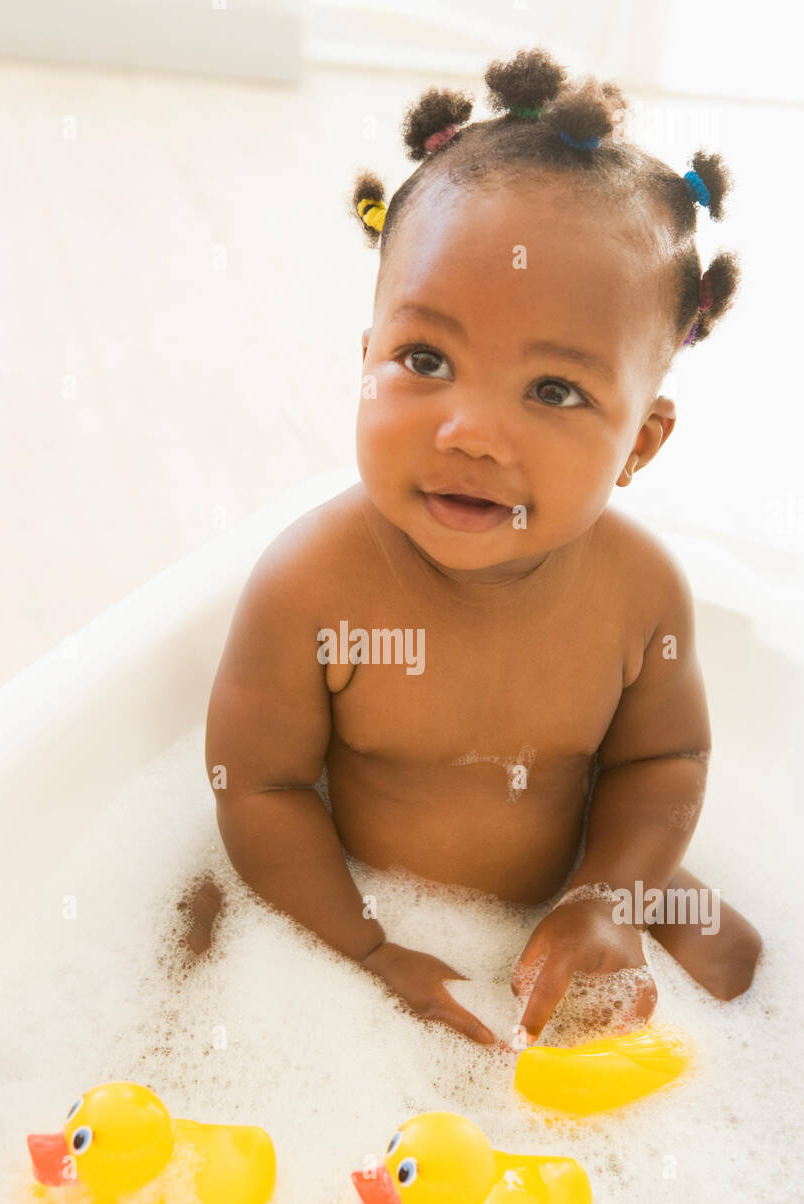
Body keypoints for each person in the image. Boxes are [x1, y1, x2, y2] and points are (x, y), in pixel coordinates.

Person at [205, 47, 761, 1048]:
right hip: (357, 888)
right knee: (197, 944)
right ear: (364, 360)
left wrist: (608, 893)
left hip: (575, 863)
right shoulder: (310, 585)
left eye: (552, 391)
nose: (466, 431)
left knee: (741, 969)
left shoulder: (635, 594)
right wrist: (369, 948)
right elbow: (258, 787)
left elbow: (663, 758)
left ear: (638, 442)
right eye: (423, 359)